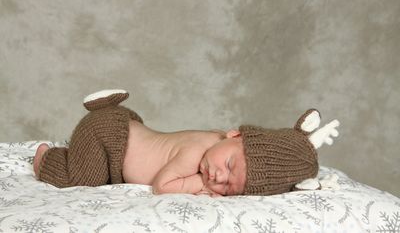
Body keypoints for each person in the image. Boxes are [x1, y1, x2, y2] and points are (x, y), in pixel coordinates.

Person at [33, 89, 339, 196]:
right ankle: (48, 159)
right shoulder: (196, 154)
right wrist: (200, 187)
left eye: (230, 186)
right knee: (84, 180)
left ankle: (111, 107)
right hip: (107, 137)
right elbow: (161, 186)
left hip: (126, 128)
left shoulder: (216, 144)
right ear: (235, 134)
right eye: (229, 165)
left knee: (110, 169)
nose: (219, 177)